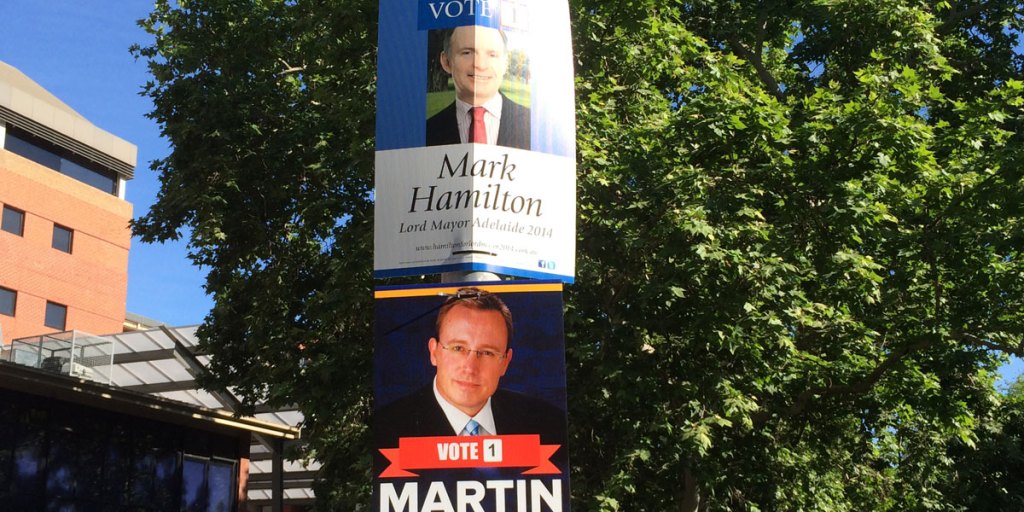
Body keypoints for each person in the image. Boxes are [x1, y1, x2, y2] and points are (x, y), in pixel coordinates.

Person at [374, 287, 565, 469]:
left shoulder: (546, 424)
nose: (470, 367)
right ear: (434, 352)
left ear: (505, 362)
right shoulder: (388, 428)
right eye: (458, 348)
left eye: (488, 352)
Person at [425, 25, 531, 150]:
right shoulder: (428, 130)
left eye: (492, 55)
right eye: (467, 52)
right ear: (446, 62)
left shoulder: (533, 126)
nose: (480, 65)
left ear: (505, 63)